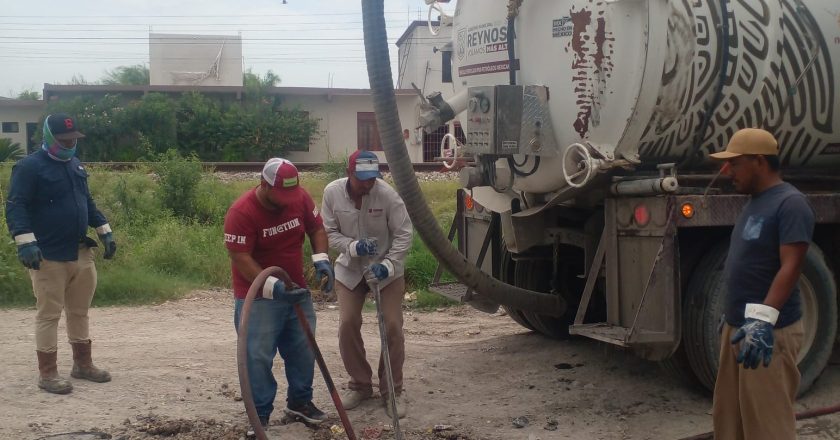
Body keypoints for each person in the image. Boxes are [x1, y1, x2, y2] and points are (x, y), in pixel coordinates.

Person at [710, 128, 815, 439]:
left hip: (768, 333)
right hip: (738, 328)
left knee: (767, 425)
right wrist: (730, 318)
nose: (726, 171)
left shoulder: (791, 204)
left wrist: (763, 320)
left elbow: (792, 265)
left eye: (735, 163)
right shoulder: (755, 202)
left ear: (759, 161)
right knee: (730, 420)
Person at [5, 113, 116, 395]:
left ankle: (82, 365)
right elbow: (16, 206)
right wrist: (25, 242)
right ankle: (48, 373)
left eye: (73, 140)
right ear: (48, 137)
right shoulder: (29, 168)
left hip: (80, 251)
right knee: (49, 314)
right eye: (64, 140)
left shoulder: (75, 165)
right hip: (48, 255)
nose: (69, 144)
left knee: (79, 311)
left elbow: (86, 201)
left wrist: (104, 229)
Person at [223, 158, 334, 432]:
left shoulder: (300, 198)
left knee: (303, 350)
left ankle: (300, 403)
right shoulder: (241, 212)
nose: (288, 201)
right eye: (281, 195)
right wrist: (274, 287)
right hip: (259, 297)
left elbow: (316, 228)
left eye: (291, 193)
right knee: (257, 356)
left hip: (296, 291)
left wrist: (321, 259)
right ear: (264, 184)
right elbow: (240, 257)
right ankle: (259, 415)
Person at [320, 150, 413, 418]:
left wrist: (389, 264)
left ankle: (392, 390)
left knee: (393, 326)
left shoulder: (387, 195)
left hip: (386, 271)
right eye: (362, 179)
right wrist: (351, 246)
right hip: (350, 269)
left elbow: (404, 233)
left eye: (372, 179)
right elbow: (328, 232)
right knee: (348, 323)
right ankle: (360, 385)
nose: (367, 184)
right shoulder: (332, 193)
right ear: (349, 173)